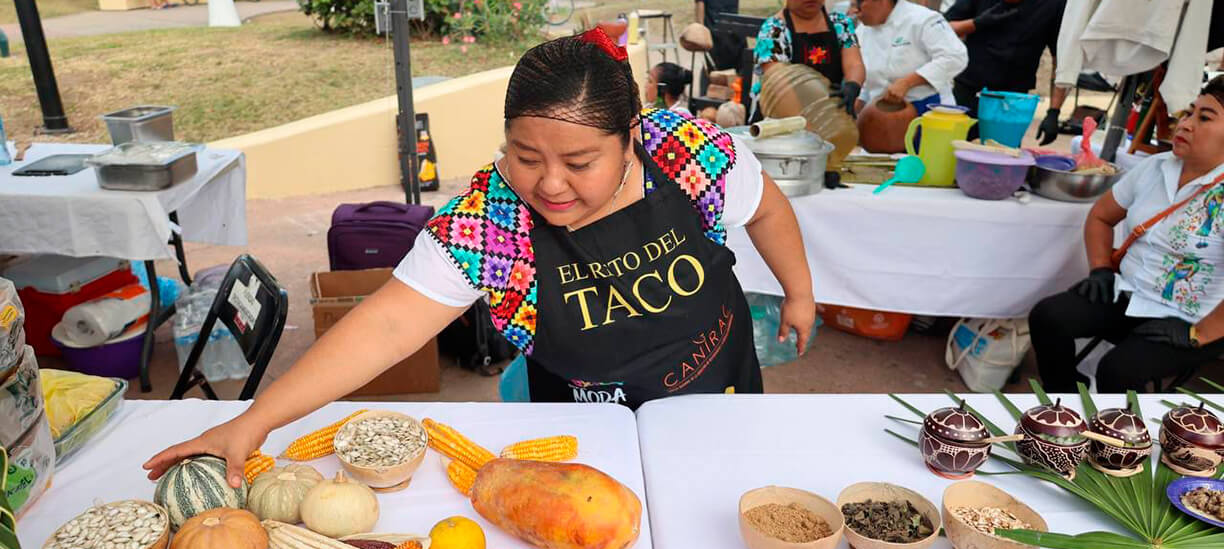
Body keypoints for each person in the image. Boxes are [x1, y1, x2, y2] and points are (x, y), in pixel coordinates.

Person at [144, 29, 817, 488]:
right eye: (526, 156)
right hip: (587, 428)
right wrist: (255, 420)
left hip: (717, 394)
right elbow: (388, 324)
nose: (550, 184)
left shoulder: (689, 156)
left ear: (631, 138)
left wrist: (800, 293)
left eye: (579, 162)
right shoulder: (492, 221)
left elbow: (766, 209)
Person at [1029, 78, 1224, 393]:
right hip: (1131, 293)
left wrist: (1200, 334)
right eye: (1189, 113)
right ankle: (1066, 403)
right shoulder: (1156, 167)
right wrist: (1101, 269)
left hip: (1192, 318)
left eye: (1204, 118)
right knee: (1048, 317)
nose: (1185, 124)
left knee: (1118, 371)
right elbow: (1101, 216)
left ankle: (1122, 425)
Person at [944, 0, 1069, 144]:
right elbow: (942, 29)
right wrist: (976, 23)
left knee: (1003, 152)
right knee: (956, 148)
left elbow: (1060, 59)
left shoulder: (1053, 4)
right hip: (969, 89)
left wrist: (1054, 112)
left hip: (1012, 101)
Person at [750, 0, 866, 118]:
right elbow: (779, 83)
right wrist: (808, 121)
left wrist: (852, 85)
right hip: (782, 116)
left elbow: (854, 63)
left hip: (830, 111)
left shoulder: (840, 24)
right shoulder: (773, 30)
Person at [854, 0, 968, 114]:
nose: (855, 10)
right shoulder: (862, 30)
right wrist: (860, 100)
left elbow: (955, 57)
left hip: (928, 107)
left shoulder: (923, 19)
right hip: (881, 111)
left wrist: (907, 83)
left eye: (859, 3)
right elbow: (866, 78)